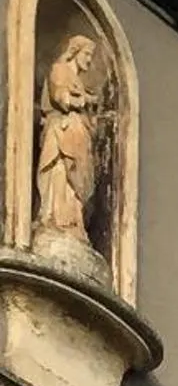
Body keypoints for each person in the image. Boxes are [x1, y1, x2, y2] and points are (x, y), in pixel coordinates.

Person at [35, 35, 105, 248]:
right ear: (75, 51)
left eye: (91, 56)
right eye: (86, 54)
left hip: (78, 136)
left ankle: (73, 224)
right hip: (61, 132)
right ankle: (54, 219)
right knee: (60, 173)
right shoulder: (60, 70)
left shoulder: (80, 82)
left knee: (75, 183)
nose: (89, 60)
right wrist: (84, 100)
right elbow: (61, 98)